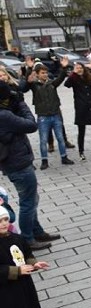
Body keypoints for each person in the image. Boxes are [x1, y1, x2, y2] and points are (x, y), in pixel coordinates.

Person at [0, 79, 61, 251]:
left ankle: (37, 231)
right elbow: (31, 125)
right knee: (28, 202)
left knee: (31, 199)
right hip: (18, 163)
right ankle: (27, 239)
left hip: (14, 162)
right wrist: (21, 103)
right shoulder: (3, 115)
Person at [0, 206, 48, 308]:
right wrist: (16, 271)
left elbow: (27, 253)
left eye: (5, 219)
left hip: (23, 284)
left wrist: (34, 264)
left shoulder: (17, 238)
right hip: (5, 288)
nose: (3, 224)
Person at [22, 58, 74, 170]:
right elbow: (25, 87)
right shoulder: (34, 85)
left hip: (55, 115)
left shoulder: (52, 84)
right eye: (42, 73)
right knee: (43, 140)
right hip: (43, 117)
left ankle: (64, 157)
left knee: (60, 138)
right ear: (37, 74)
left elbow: (60, 78)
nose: (45, 75)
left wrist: (64, 67)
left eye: (46, 73)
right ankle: (44, 161)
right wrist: (29, 68)